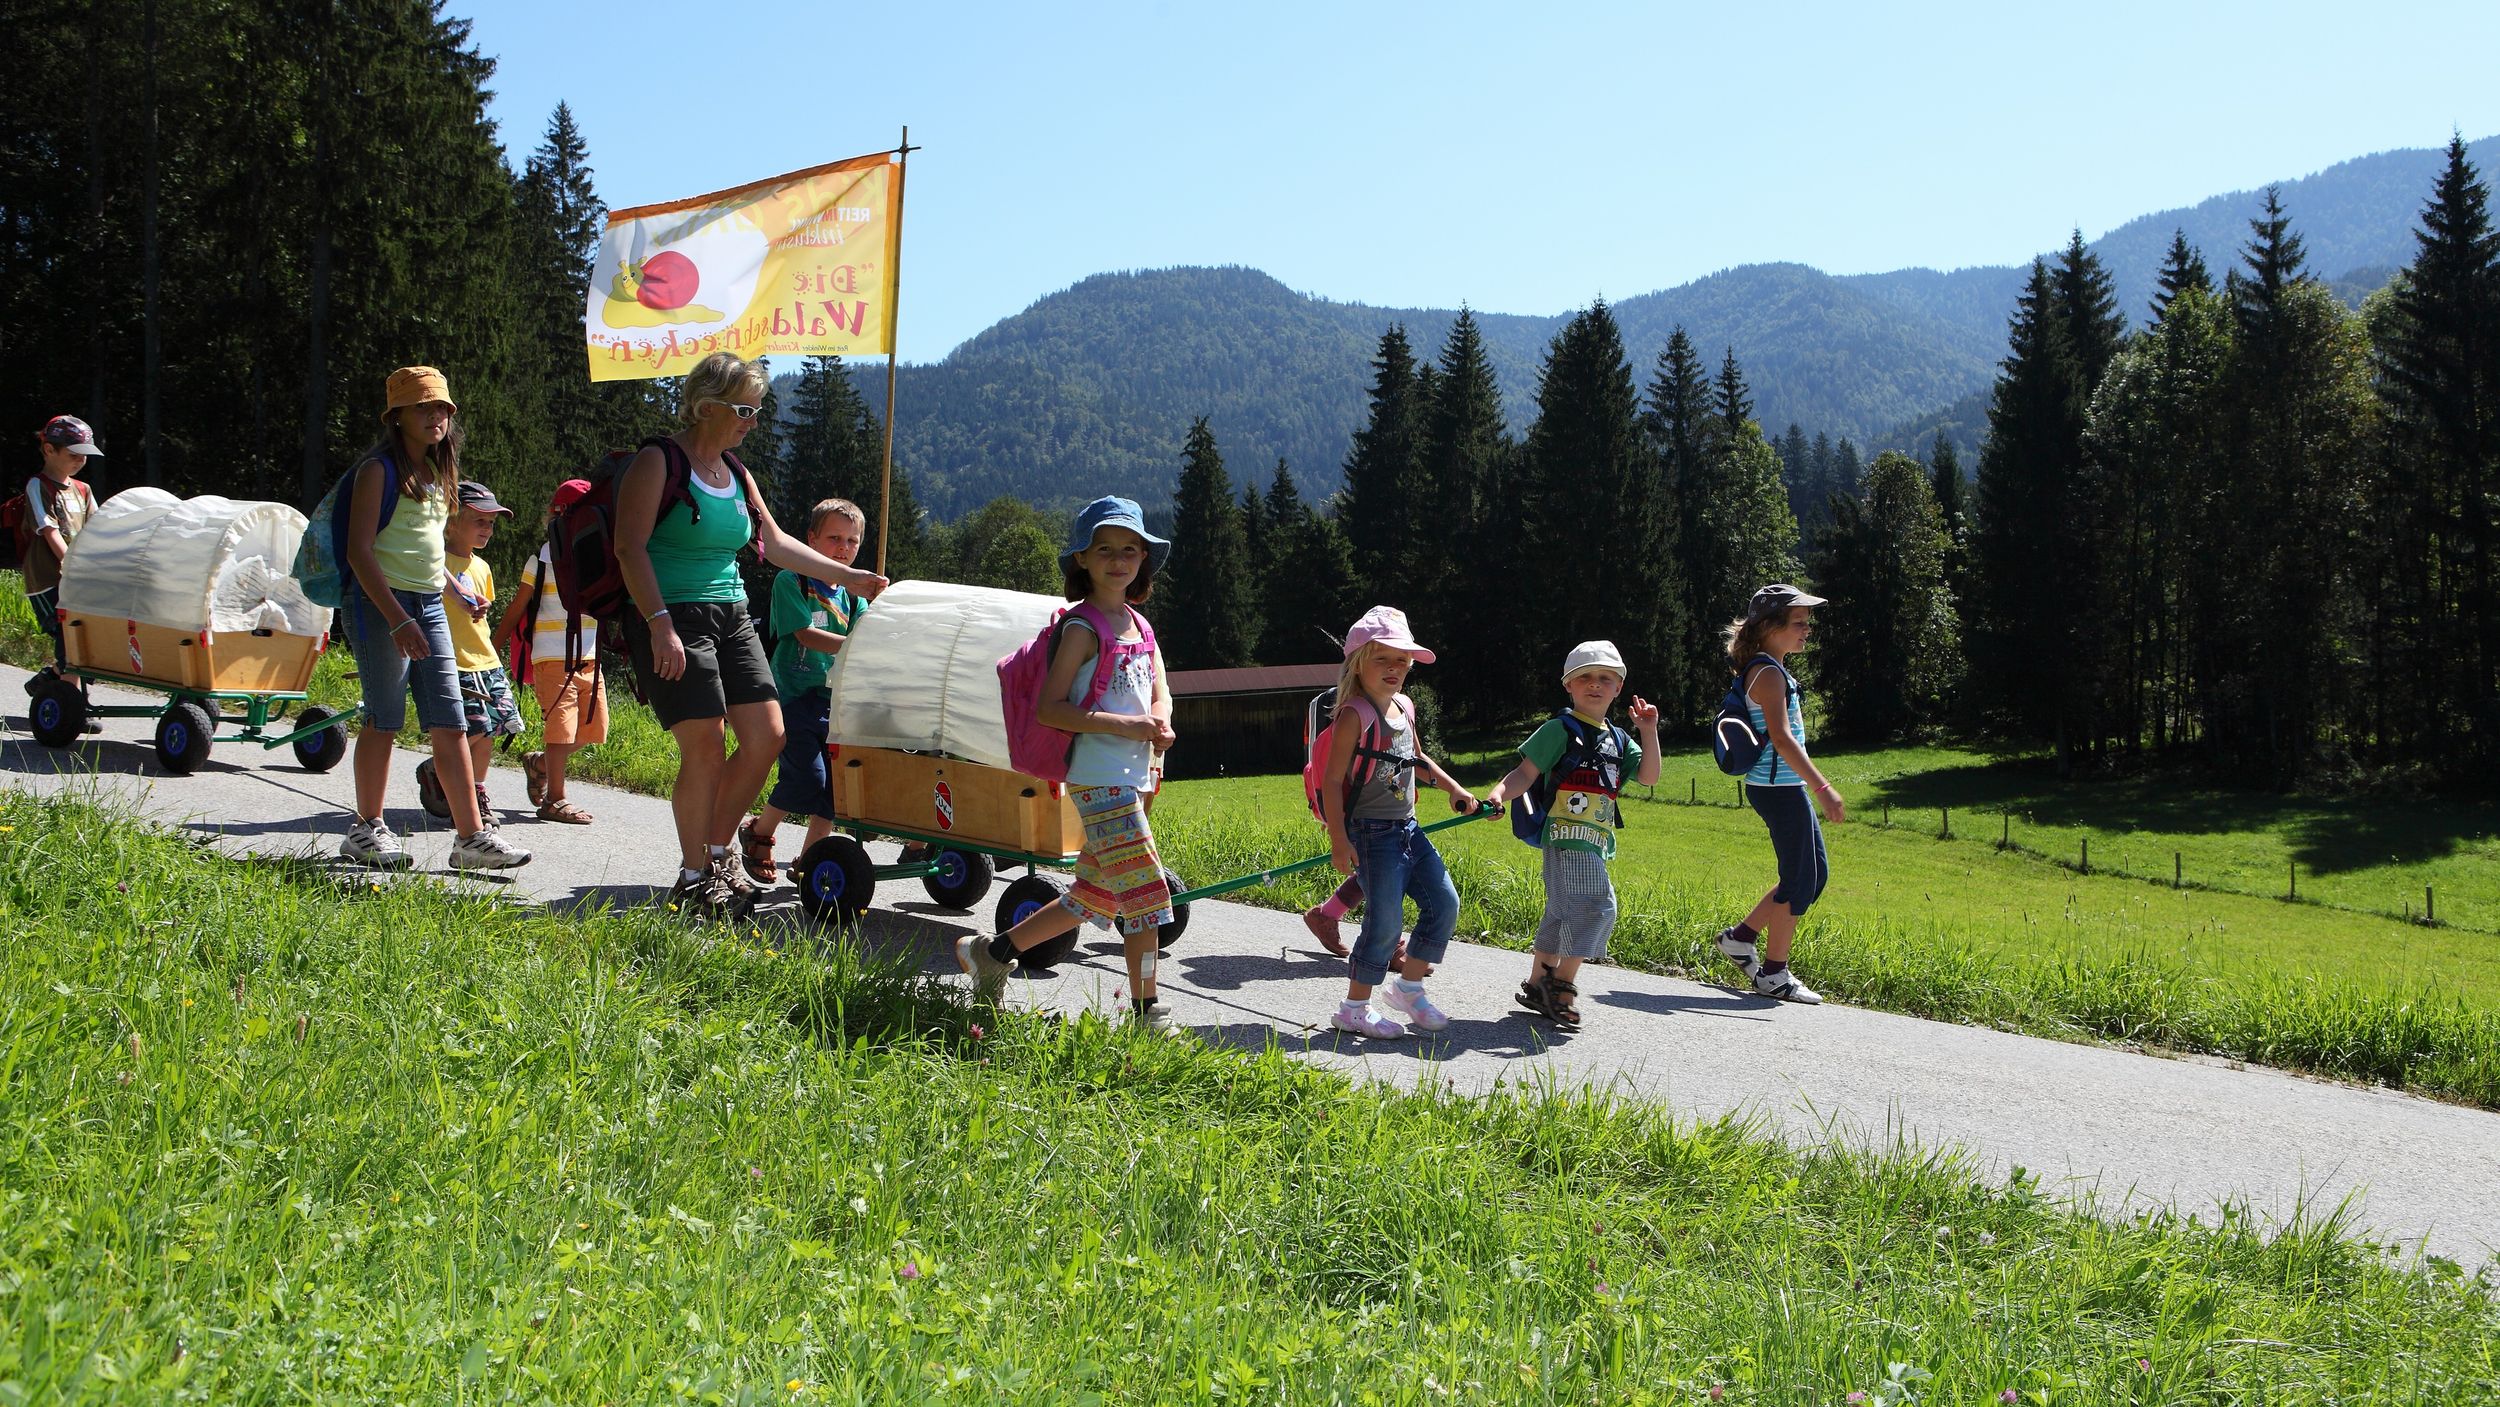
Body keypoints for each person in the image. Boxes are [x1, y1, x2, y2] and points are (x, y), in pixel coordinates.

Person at [614, 351, 885, 916]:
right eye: (744, 409)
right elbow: (629, 548)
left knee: (767, 736)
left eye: (757, 409)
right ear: (706, 406)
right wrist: (659, 624)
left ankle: (719, 852)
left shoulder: (736, 473)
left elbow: (776, 543)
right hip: (672, 614)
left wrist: (849, 576)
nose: (753, 421)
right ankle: (695, 875)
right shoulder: (658, 461)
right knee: (706, 747)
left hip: (731, 614)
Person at [957, 496, 1180, 1031]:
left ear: (1144, 559)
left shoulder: (1140, 627)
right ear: (1082, 558)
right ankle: (1146, 1011)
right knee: (1146, 896)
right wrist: (1128, 727)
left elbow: (1160, 690)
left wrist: (1160, 723)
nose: (1119, 560)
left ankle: (992, 953)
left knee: (1091, 896)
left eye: (1130, 549)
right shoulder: (1082, 628)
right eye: (1105, 549)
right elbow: (1051, 709)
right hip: (1097, 779)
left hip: (1133, 777)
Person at [335, 368, 530, 872]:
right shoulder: (377, 470)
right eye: (423, 407)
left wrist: (453, 586)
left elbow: (423, 549)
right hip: (380, 604)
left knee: (451, 719)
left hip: (427, 602)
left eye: (442, 408)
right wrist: (398, 619)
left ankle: (470, 839)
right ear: (397, 416)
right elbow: (361, 552)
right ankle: (366, 828)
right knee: (383, 716)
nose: (436, 417)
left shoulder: (441, 474)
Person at [1317, 606, 1479, 1038]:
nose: (1395, 669)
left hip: (1407, 826)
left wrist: (1455, 789)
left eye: (1403, 660)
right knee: (1385, 922)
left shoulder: (1404, 707)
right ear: (1358, 661)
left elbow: (1417, 759)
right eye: (1382, 658)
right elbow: (1332, 781)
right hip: (1371, 832)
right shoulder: (1354, 714)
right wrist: (1338, 839)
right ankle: (1353, 1008)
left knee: (1444, 903)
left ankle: (1408, 987)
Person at [1482, 641, 1662, 1028]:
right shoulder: (1558, 730)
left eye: (1605, 678)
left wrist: (1648, 731)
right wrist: (1497, 793)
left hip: (1595, 841)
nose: (1594, 684)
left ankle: (1537, 984)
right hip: (1564, 837)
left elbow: (1648, 777)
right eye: (1584, 677)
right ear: (1569, 686)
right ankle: (1561, 985)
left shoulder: (1619, 739)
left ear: (1618, 687)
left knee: (1562, 914)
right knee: (1599, 908)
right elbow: (1524, 774)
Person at [1713, 584, 1841, 1004]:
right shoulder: (1767, 674)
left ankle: (1740, 939)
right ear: (1770, 628)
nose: (1807, 630)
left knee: (1812, 876)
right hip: (1778, 790)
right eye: (1798, 623)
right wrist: (1823, 787)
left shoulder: (1771, 668)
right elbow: (1783, 740)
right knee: (1800, 880)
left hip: (1784, 788)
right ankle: (1773, 974)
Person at [737, 498, 867, 883]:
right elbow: (804, 634)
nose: (843, 548)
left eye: (852, 541)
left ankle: (810, 859)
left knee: (834, 793)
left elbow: (863, 637)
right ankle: (759, 832)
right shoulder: (792, 579)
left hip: (833, 703)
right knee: (805, 779)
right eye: (834, 538)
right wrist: (855, 646)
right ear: (811, 539)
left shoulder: (854, 595)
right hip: (793, 697)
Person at [416, 482, 523, 825]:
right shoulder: (436, 562)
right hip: (454, 661)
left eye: (491, 523)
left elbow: (480, 613)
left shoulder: (483, 567)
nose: (487, 529)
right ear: (451, 522)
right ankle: (447, 772)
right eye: (479, 520)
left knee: (494, 727)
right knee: (471, 728)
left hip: (486, 659)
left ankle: (475, 788)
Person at [504, 479, 606, 824]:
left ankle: (539, 764)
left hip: (591, 656)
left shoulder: (599, 559)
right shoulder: (541, 560)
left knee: (593, 730)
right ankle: (555, 799)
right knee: (561, 732)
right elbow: (518, 607)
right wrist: (490, 647)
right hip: (551, 656)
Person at [18, 415, 101, 683]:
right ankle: (68, 700)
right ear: (48, 450)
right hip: (48, 579)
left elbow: (98, 531)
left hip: (76, 578)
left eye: (85, 455)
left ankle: (53, 685)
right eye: (74, 453)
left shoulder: (83, 490)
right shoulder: (38, 485)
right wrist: (72, 565)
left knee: (86, 634)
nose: (80, 460)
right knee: (69, 632)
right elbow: (49, 530)